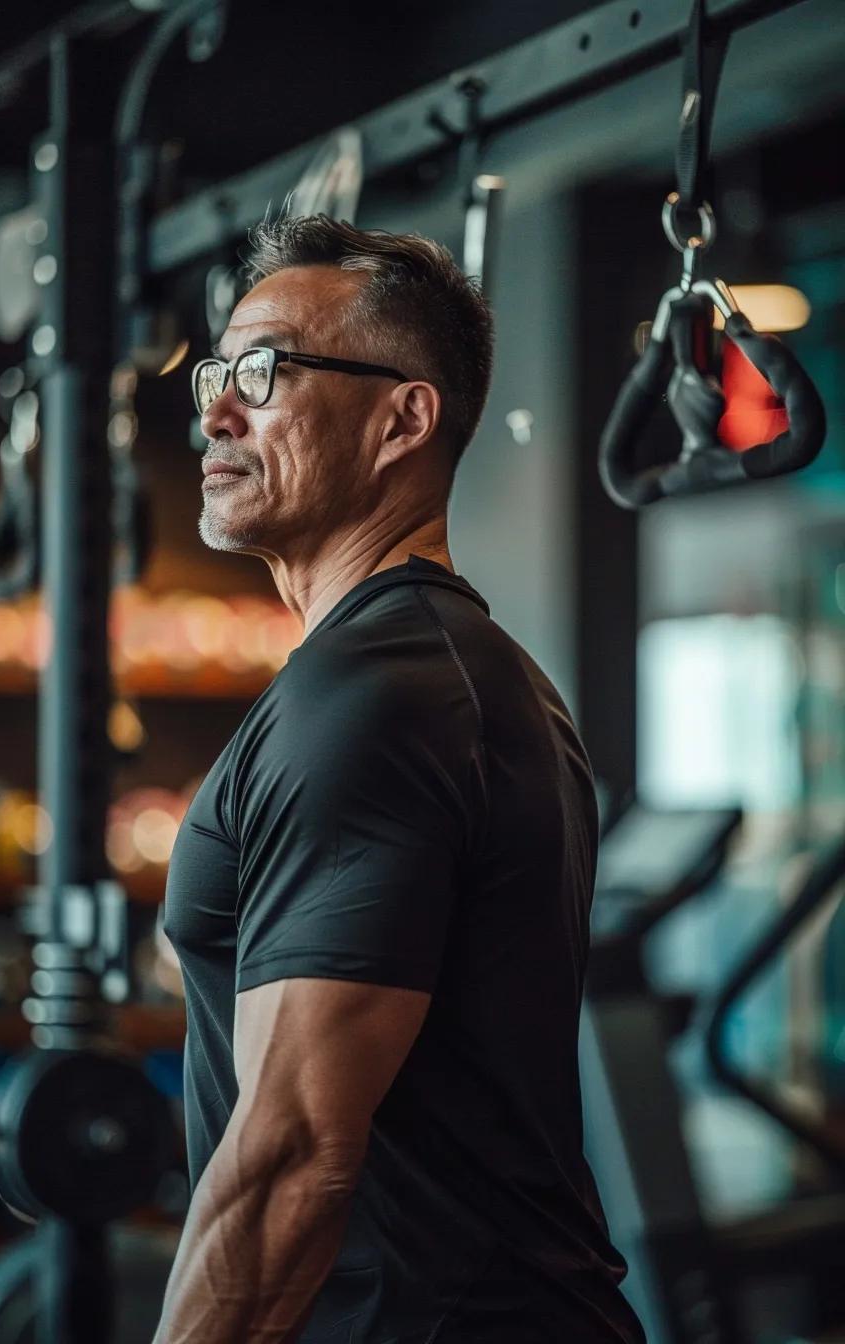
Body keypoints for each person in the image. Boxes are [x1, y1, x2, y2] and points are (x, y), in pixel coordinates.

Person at [158, 213, 646, 1344]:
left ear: (401, 418)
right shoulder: (437, 676)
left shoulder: (379, 701)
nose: (217, 411)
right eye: (216, 375)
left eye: (265, 371)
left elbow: (289, 1159)